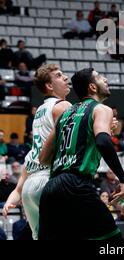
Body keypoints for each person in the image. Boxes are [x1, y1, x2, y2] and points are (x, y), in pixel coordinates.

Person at [38, 68, 124, 241]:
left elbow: (43, 157)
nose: (105, 79)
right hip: (76, 185)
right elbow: (103, 142)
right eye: (100, 77)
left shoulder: (66, 114)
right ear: (92, 87)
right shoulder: (101, 109)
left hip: (51, 189)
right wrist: (123, 179)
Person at [3, 64, 71, 240]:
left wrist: (11, 200)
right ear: (49, 86)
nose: (65, 78)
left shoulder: (40, 110)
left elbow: (19, 185)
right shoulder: (63, 105)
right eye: (59, 75)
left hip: (29, 185)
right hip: (50, 179)